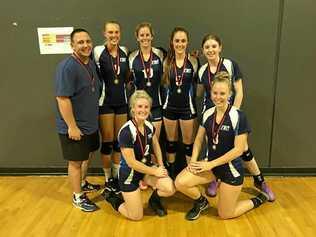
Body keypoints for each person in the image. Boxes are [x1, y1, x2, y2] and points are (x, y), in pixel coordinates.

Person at [175, 72, 270, 220]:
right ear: (210, 92)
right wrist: (193, 160)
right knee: (180, 182)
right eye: (215, 93)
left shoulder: (238, 116)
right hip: (211, 167)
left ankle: (258, 200)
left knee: (225, 214)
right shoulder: (207, 114)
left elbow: (239, 150)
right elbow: (199, 140)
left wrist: (210, 164)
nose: (218, 97)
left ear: (230, 94)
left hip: (230, 170)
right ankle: (201, 202)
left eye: (222, 93)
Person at [197, 34, 275, 201]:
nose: (210, 49)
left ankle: (260, 181)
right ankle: (216, 179)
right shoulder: (202, 70)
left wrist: (233, 115)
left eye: (213, 46)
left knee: (243, 149)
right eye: (207, 47)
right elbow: (200, 94)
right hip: (210, 115)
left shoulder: (230, 65)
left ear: (220, 47)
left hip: (229, 113)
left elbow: (239, 91)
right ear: (203, 51)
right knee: (213, 147)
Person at [105, 90, 175, 220]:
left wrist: (161, 166)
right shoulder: (126, 131)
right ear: (132, 108)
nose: (143, 110)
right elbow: (131, 162)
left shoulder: (149, 125)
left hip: (145, 170)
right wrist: (154, 171)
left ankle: (153, 201)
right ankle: (113, 198)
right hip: (130, 174)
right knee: (136, 216)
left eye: (146, 107)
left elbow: (156, 146)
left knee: (169, 187)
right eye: (140, 106)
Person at [55, 28, 101, 212]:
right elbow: (62, 99)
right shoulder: (67, 67)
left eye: (88, 41)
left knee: (87, 155)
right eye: (80, 42)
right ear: (72, 45)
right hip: (75, 127)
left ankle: (82, 183)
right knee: (75, 162)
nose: (85, 45)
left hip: (90, 124)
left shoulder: (90, 63)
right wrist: (72, 126)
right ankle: (77, 196)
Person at [94, 21, 129, 195]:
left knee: (118, 143)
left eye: (116, 32)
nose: (113, 35)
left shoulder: (125, 52)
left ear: (120, 33)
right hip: (105, 102)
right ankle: (108, 178)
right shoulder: (98, 51)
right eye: (110, 32)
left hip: (122, 102)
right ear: (104, 33)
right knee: (107, 143)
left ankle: (116, 177)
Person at [162, 27, 198, 178]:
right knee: (171, 143)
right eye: (177, 41)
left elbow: (199, 86)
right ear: (172, 42)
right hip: (169, 108)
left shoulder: (194, 61)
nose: (180, 44)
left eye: (183, 41)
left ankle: (190, 176)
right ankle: (170, 174)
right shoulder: (166, 61)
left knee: (188, 145)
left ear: (187, 42)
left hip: (187, 108)